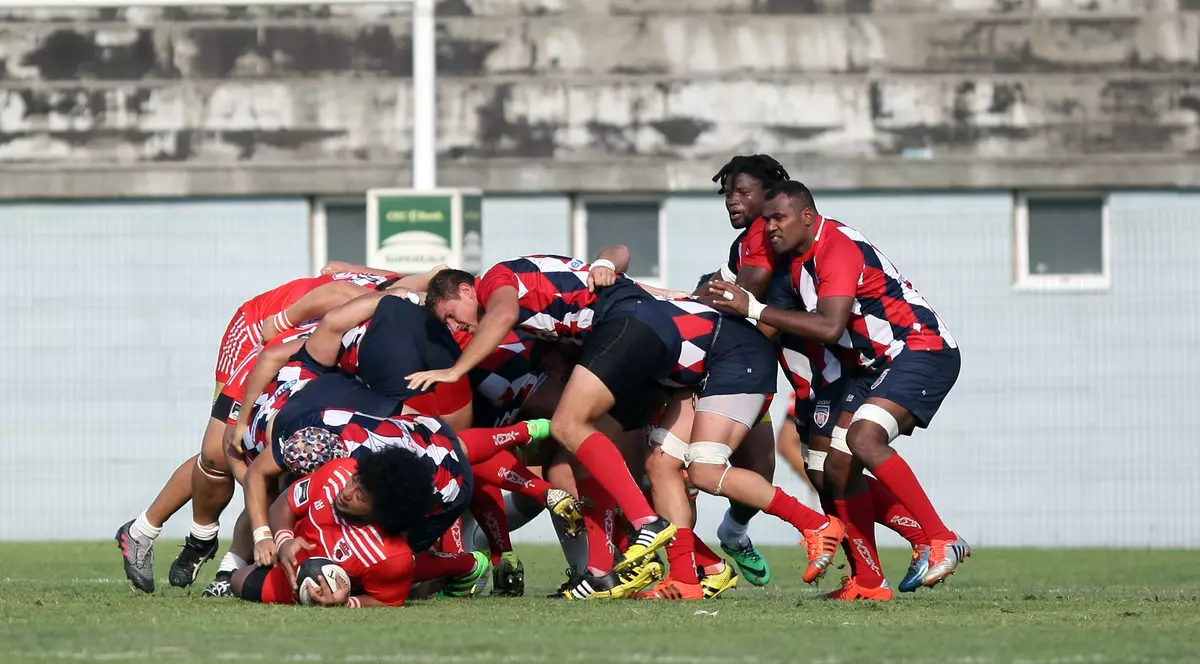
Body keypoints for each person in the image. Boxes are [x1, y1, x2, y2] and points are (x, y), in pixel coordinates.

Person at [709, 180, 968, 599]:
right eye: (767, 220)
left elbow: (829, 326)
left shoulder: (837, 246)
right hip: (870, 367)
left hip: (920, 349)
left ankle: (940, 539)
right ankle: (868, 580)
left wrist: (752, 309)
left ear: (807, 216)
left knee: (865, 439)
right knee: (833, 470)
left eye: (779, 218)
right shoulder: (793, 261)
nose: (771, 228)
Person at [115, 270, 407, 593]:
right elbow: (330, 295)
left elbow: (332, 267)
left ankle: (228, 565)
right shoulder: (369, 311)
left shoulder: (390, 315)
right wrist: (282, 320)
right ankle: (177, 534)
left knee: (273, 470)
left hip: (289, 361)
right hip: (261, 334)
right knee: (218, 453)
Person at [417, 252, 684, 599]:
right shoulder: (529, 308)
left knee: (566, 426)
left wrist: (455, 370)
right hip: (650, 334)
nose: (455, 328)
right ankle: (602, 570)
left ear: (468, 290)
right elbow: (608, 272)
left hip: (630, 325)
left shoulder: (496, 281)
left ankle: (645, 523)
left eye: (452, 316)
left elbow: (504, 313)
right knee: (570, 459)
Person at [231, 448, 490, 607]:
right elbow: (284, 504)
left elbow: (385, 602)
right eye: (355, 481)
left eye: (361, 495)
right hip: (301, 554)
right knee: (237, 581)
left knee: (405, 578)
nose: (347, 492)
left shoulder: (389, 555)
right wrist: (284, 540)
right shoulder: (338, 474)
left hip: (371, 575)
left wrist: (347, 602)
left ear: (383, 511)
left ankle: (467, 565)